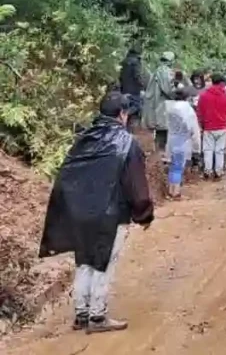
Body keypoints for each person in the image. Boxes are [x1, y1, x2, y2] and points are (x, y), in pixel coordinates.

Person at [39, 91, 154, 334]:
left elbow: (67, 175)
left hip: (79, 213)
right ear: (122, 114)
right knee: (103, 263)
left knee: (84, 261)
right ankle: (98, 316)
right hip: (110, 215)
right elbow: (136, 185)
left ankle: (81, 313)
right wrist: (143, 214)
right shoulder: (126, 143)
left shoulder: (83, 139)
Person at [165, 86, 200, 199]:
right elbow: (194, 129)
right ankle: (176, 193)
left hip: (171, 140)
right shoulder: (188, 110)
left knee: (173, 166)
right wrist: (197, 147)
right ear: (187, 97)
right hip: (183, 141)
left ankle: (170, 190)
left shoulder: (170, 108)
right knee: (178, 168)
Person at [197, 73, 226, 180]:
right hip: (222, 126)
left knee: (207, 149)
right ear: (221, 82)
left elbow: (200, 112)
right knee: (220, 150)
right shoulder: (225, 96)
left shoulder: (204, 95)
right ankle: (218, 171)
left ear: (212, 81)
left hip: (208, 126)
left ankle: (207, 171)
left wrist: (200, 124)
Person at [142, 51, 175, 162]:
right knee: (164, 131)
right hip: (162, 106)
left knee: (160, 132)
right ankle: (161, 157)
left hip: (156, 106)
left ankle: (158, 156)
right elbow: (168, 90)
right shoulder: (165, 72)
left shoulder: (157, 71)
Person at [117, 46, 145, 129]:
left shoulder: (124, 62)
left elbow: (120, 76)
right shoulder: (136, 62)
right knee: (137, 106)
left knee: (126, 105)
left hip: (124, 89)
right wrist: (143, 85)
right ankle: (125, 116)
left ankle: (123, 121)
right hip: (134, 90)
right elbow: (137, 76)